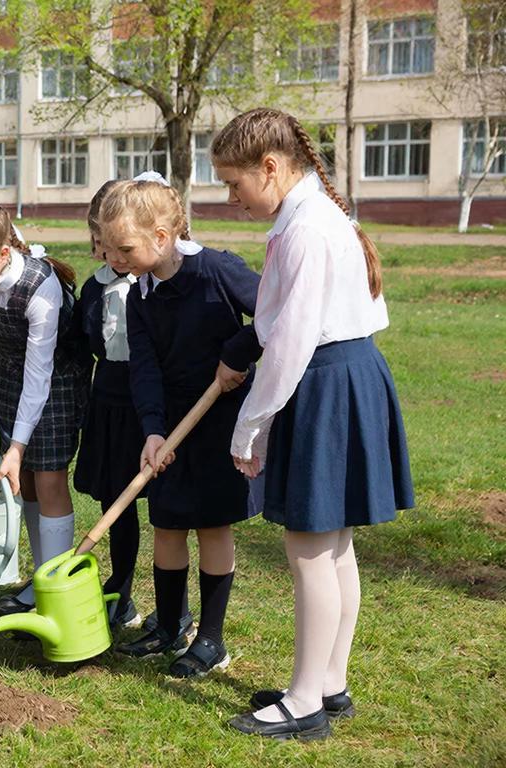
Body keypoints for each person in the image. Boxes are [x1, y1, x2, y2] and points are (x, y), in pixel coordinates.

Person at [213, 108, 414, 741]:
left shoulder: (307, 230)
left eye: (234, 183)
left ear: (269, 168)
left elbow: (292, 343)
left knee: (308, 549)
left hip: (325, 381)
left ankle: (304, 701)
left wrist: (250, 428)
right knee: (334, 545)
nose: (231, 198)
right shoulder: (320, 215)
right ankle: (328, 681)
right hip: (349, 375)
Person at [100, 178, 263, 678]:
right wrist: (152, 430)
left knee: (212, 525)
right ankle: (169, 625)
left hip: (220, 419)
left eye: (124, 248)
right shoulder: (140, 297)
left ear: (163, 236)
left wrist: (237, 356)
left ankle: (211, 641)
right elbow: (143, 367)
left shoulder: (215, 270)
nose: (115, 258)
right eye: (108, 248)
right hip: (170, 423)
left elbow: (276, 313)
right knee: (166, 524)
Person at [0, 198, 89, 616]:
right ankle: (41, 579)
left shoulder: (40, 288)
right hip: (7, 371)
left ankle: (53, 588)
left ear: (3, 254)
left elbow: (39, 375)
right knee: (21, 477)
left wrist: (18, 444)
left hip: (56, 378)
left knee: (49, 479)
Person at [73, 177, 180, 634]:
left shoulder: (154, 283)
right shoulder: (95, 289)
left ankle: (175, 607)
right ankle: (120, 589)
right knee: (116, 500)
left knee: (166, 506)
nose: (108, 254)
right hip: (109, 399)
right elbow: (82, 344)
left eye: (117, 245)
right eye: (100, 243)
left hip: (153, 400)